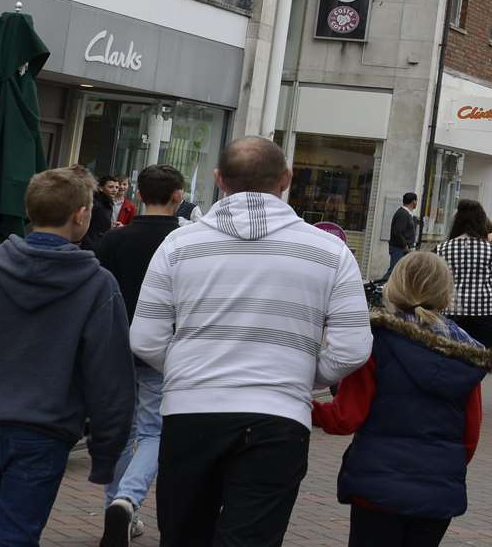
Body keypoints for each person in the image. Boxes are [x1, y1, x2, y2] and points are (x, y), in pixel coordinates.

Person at [130, 137, 371, 546]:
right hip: (278, 416)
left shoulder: (178, 246)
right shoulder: (330, 251)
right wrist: (296, 375)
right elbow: (353, 348)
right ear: (287, 179)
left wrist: (192, 370)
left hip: (192, 411)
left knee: (184, 534)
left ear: (218, 179)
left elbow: (146, 337)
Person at [0, 167, 133, 547]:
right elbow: (110, 376)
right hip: (43, 429)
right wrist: (107, 451)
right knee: (15, 531)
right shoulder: (96, 284)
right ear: (81, 215)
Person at [313, 251, 492, 547]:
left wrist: (305, 407)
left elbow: (345, 418)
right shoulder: (466, 353)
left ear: (394, 286)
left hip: (377, 485)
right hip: (438, 490)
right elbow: (470, 435)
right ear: (446, 292)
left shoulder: (376, 341)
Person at [93, 164, 187, 545]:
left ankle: (116, 508)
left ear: (139, 195)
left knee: (122, 430)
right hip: (163, 349)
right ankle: (126, 499)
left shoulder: (114, 241)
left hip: (116, 347)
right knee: (152, 431)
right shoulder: (185, 242)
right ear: (178, 196)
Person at [435, 199, 492, 348]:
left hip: (451, 308)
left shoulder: (441, 248)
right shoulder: (491, 249)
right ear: (481, 222)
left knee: (452, 352)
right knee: (481, 355)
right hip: (485, 310)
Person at [84, 176, 126, 251]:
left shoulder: (107, 204)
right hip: (91, 246)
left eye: (116, 187)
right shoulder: (96, 204)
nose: (115, 190)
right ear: (101, 188)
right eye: (111, 187)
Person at [387, 192, 421, 276]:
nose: (416, 203)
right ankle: (380, 286)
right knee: (394, 271)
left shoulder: (407, 214)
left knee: (398, 271)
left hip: (402, 248)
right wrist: (405, 246)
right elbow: (397, 231)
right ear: (414, 202)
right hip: (398, 248)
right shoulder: (403, 214)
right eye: (416, 201)